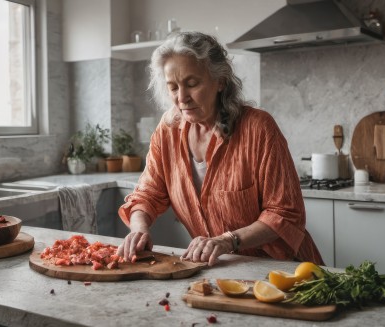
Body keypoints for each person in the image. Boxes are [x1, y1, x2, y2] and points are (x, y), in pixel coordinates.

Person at [117, 31, 323, 266]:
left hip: (284, 270)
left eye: (192, 84)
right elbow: (147, 195)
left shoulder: (257, 128)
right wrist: (138, 229)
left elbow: (284, 213)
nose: (182, 97)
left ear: (221, 81)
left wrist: (227, 241)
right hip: (221, 269)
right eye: (173, 87)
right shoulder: (168, 131)